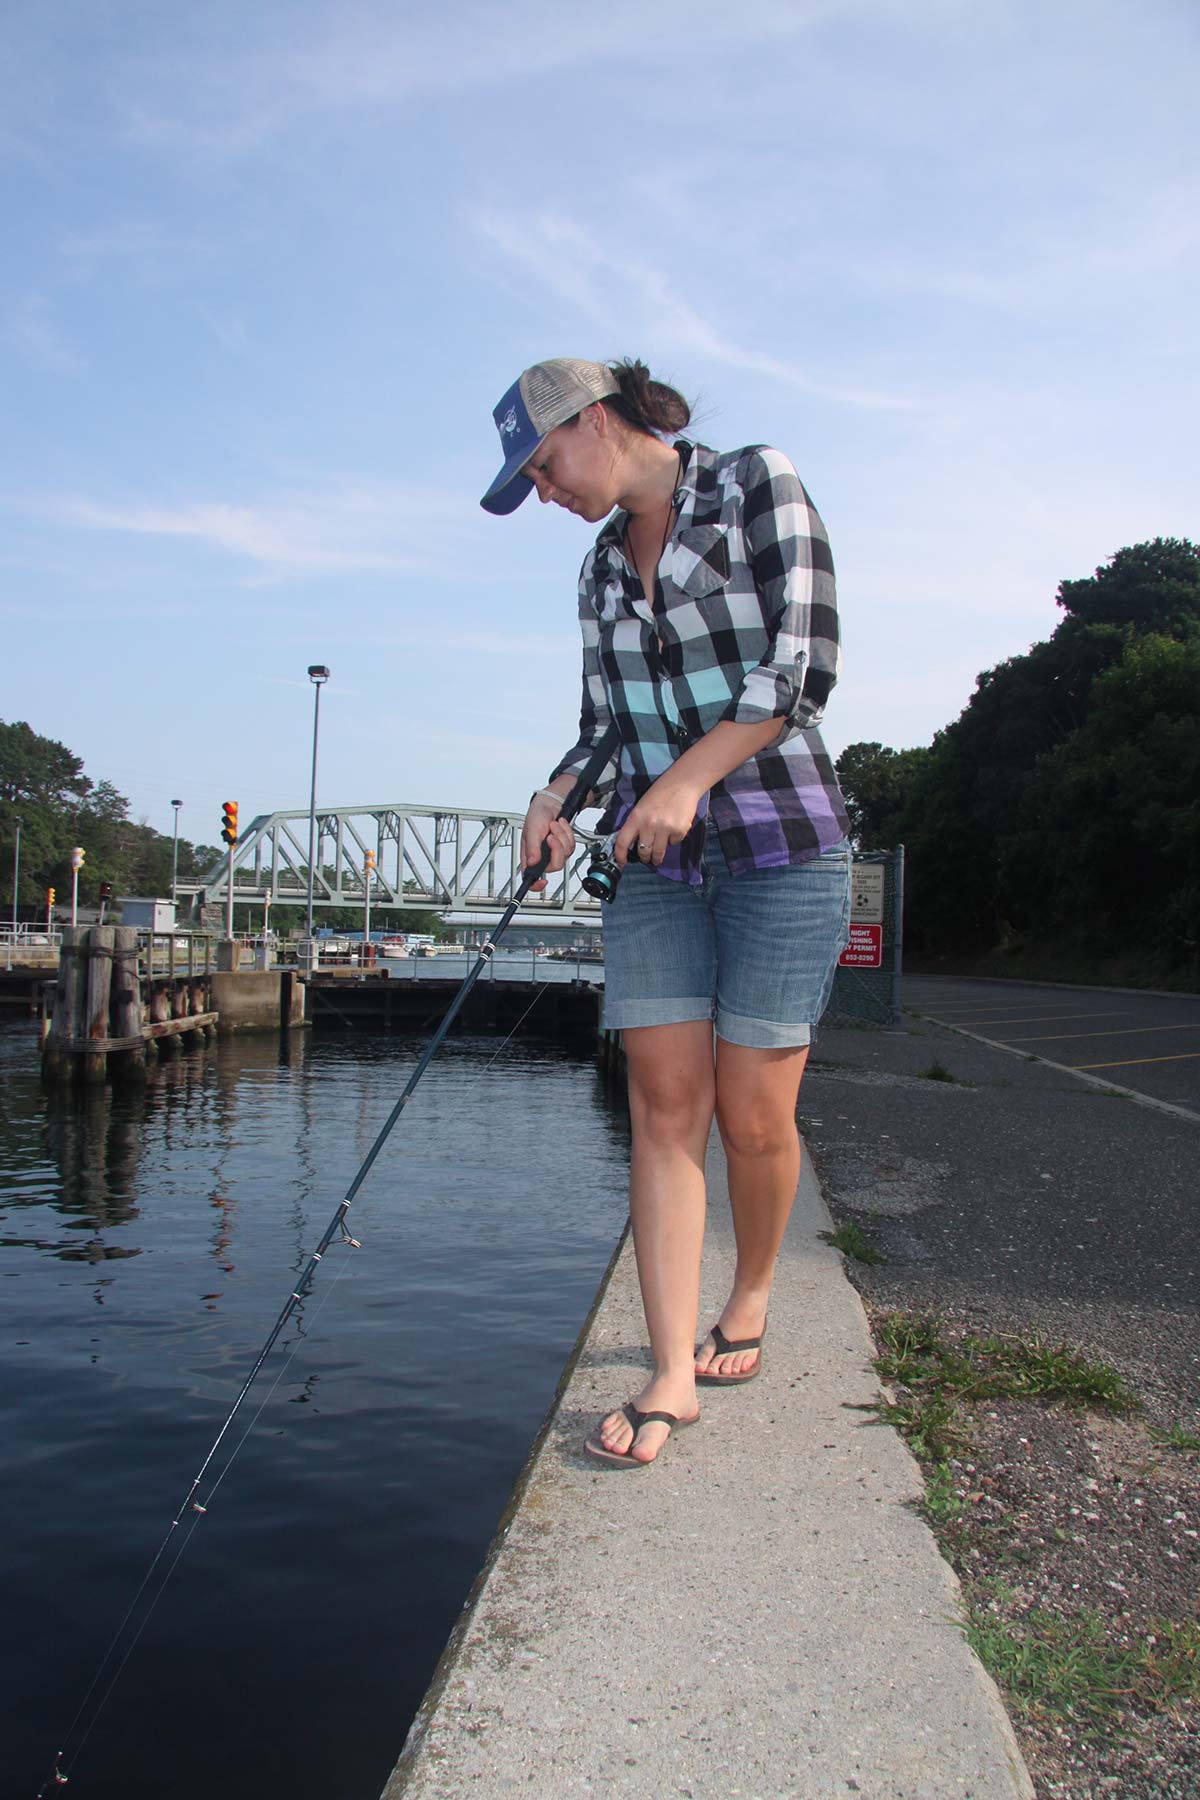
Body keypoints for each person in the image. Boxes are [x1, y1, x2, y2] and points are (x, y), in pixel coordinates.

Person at [481, 357, 851, 1467]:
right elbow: (603, 726)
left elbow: (803, 667)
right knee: (663, 1107)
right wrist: (554, 800)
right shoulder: (599, 570)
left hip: (783, 848)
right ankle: (672, 1370)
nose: (544, 492)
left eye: (543, 467)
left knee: (752, 1115)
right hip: (660, 872)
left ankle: (750, 1290)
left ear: (594, 423)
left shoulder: (755, 483)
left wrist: (689, 778)